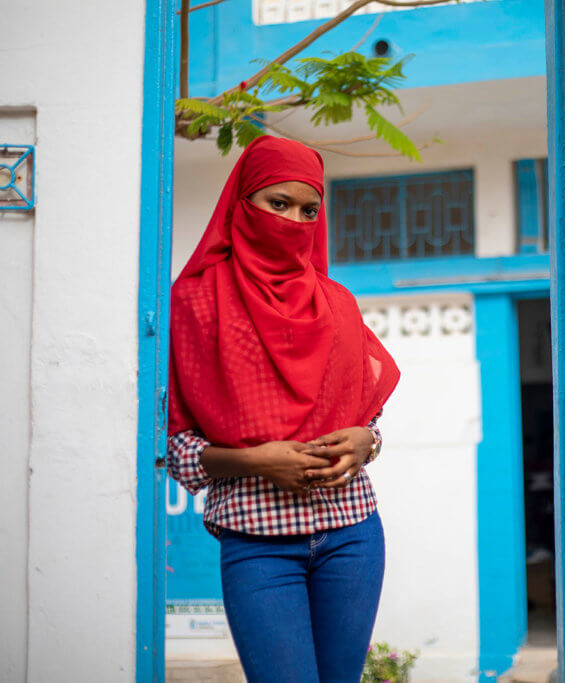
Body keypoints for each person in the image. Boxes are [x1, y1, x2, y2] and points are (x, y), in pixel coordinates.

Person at [164, 135, 401, 683]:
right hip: (257, 541)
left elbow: (364, 419)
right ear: (242, 203)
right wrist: (258, 461)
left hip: (352, 533)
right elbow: (177, 452)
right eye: (278, 204)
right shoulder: (194, 303)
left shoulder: (336, 302)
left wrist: (369, 442)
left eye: (309, 210)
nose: (294, 220)